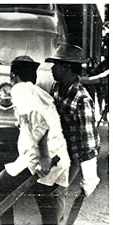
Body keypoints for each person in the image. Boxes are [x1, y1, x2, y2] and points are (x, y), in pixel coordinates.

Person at [0, 56, 70, 225]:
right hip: (56, 155)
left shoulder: (19, 89)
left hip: (44, 157)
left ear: (13, 76)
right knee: (44, 198)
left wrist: (44, 158)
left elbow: (41, 123)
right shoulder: (38, 93)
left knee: (0, 184)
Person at [46, 43, 100, 198]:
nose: (52, 68)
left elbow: (87, 143)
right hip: (60, 145)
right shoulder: (56, 87)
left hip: (76, 150)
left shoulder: (82, 99)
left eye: (56, 65)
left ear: (67, 68)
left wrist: (87, 175)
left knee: (58, 192)